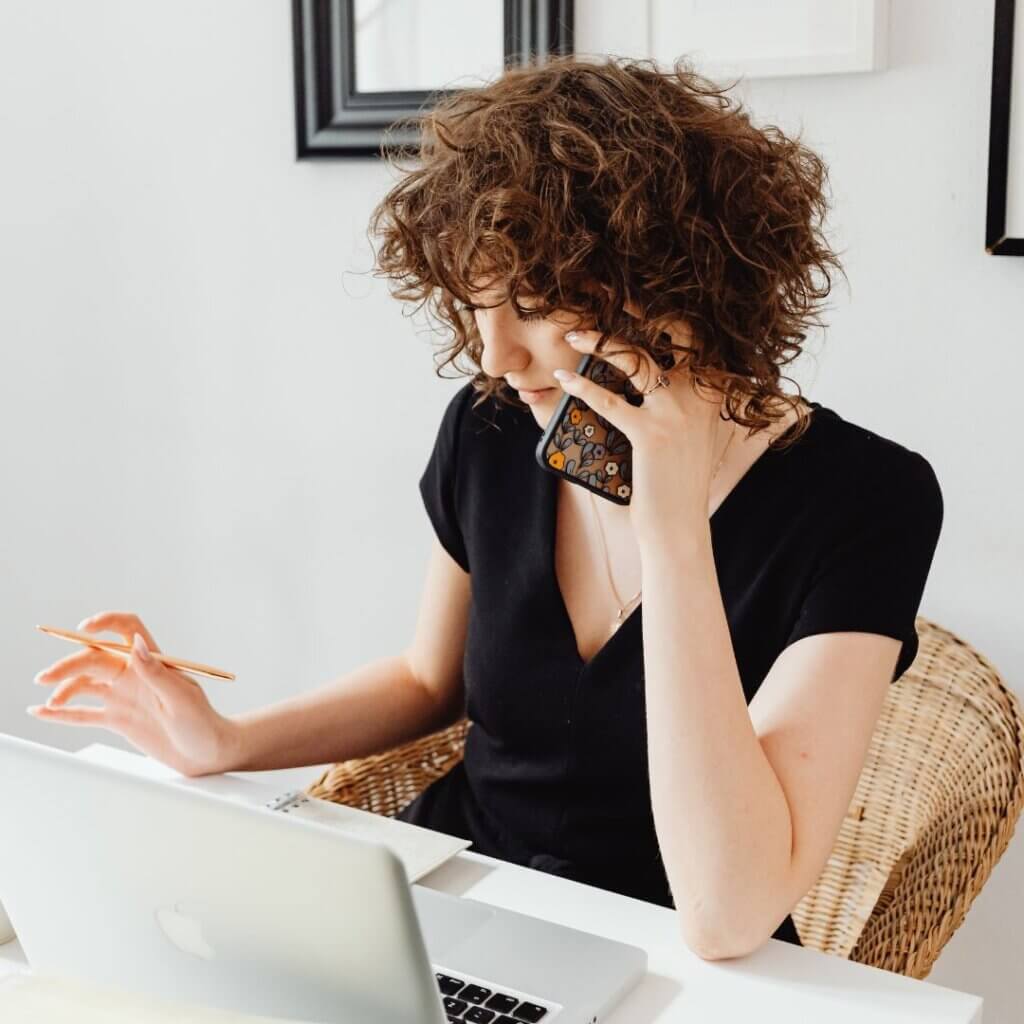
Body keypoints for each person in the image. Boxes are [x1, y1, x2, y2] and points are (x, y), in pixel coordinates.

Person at [29, 55, 943, 961]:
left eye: (535, 304)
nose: (494, 355)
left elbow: (727, 911)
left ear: (680, 285)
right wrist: (224, 742)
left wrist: (671, 536)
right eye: (475, 305)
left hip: (668, 966)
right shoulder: (494, 426)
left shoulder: (868, 501)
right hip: (453, 912)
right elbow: (431, 681)